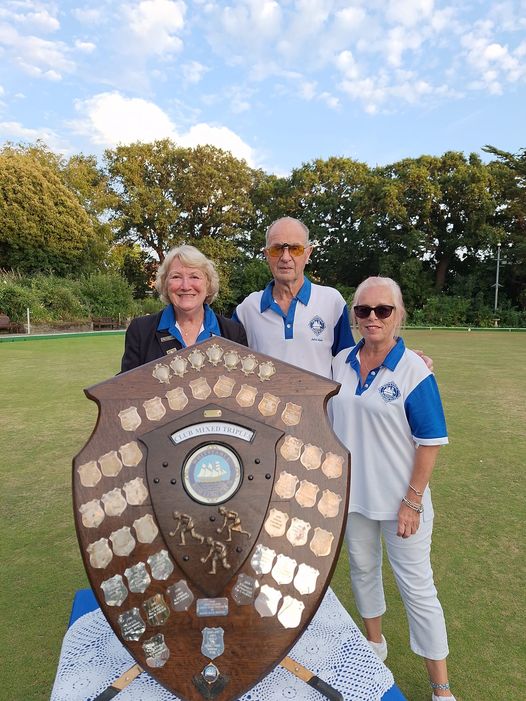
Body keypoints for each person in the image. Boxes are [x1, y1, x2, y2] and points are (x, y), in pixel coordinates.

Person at [330, 276, 455, 701]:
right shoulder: (341, 361)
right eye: (363, 311)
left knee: (417, 590)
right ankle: (374, 645)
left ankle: (441, 688)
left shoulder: (413, 368)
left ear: (399, 315)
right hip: (356, 498)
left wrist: (412, 501)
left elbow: (430, 440)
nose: (372, 318)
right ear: (355, 316)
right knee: (363, 571)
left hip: (403, 503)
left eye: (383, 310)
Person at [233, 217, 354, 378]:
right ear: (266, 254)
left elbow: (347, 366)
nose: (285, 257)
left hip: (319, 404)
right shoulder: (247, 309)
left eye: (295, 249)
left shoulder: (332, 302)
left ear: (308, 253)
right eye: (277, 249)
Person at [121, 244, 247, 372]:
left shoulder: (233, 333)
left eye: (194, 277)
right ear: (165, 284)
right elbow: (127, 386)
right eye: (176, 277)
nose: (186, 286)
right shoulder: (141, 331)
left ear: (208, 284)